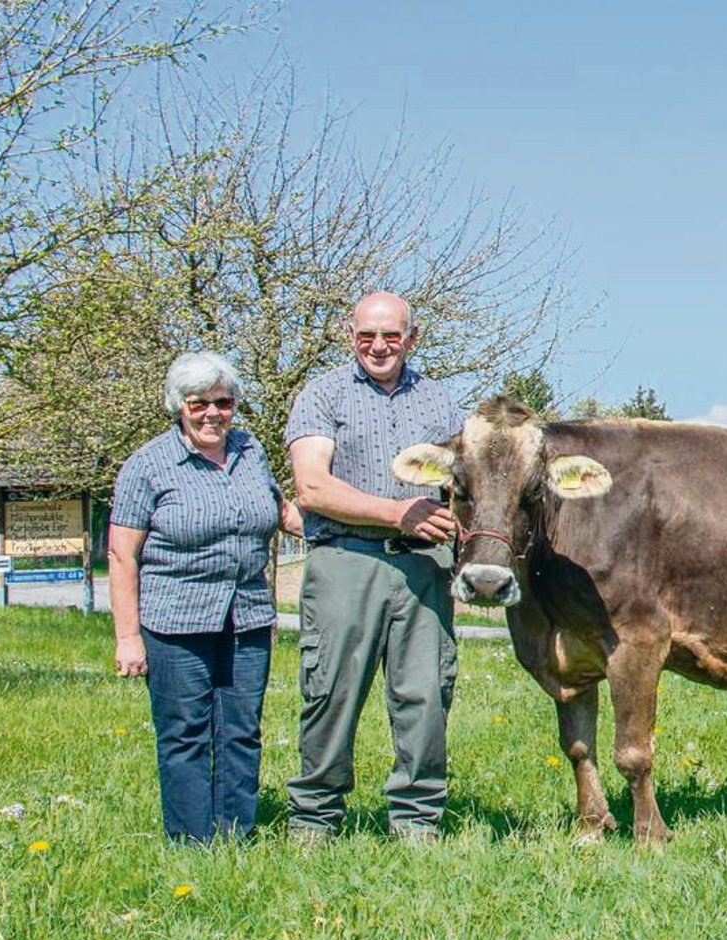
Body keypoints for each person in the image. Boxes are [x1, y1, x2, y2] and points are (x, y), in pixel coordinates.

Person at [283, 291, 463, 845]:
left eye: (390, 335)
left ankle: (416, 819)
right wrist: (398, 514)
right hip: (346, 560)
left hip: (422, 568)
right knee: (330, 691)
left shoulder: (441, 403)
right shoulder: (323, 394)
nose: (378, 346)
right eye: (367, 335)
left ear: (411, 337)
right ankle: (315, 817)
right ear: (350, 335)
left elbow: (461, 487)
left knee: (425, 695)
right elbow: (311, 487)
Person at [109, 351, 301, 843]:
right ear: (179, 406)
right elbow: (121, 555)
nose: (213, 413)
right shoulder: (149, 465)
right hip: (175, 621)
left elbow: (283, 512)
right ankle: (192, 841)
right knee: (185, 733)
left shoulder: (249, 451)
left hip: (248, 618)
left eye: (224, 402)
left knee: (240, 730)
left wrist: (349, 522)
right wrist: (128, 637)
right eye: (200, 404)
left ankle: (236, 835)